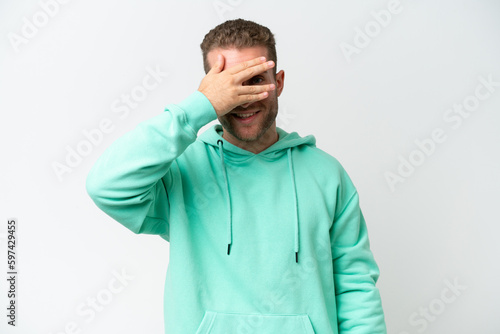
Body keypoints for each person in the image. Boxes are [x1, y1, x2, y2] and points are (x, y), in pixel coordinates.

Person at [86, 18, 387, 334]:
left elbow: (355, 285)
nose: (243, 97)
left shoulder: (327, 174)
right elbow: (107, 185)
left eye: (255, 79)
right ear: (210, 89)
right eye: (230, 84)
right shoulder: (181, 172)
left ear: (279, 82)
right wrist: (199, 107)